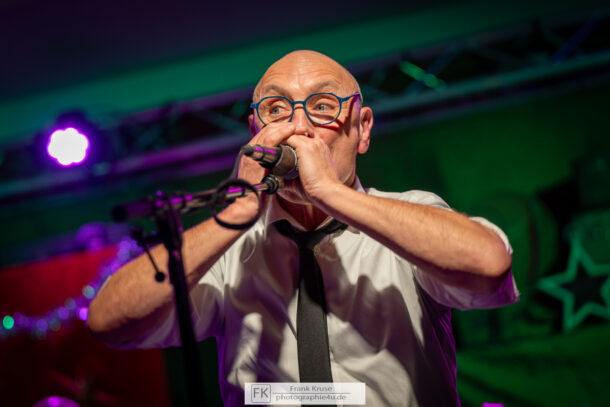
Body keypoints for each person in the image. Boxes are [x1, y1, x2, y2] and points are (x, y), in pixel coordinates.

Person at [88, 50, 518, 406]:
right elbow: (109, 321)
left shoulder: (409, 214)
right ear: (255, 133)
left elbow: (489, 265)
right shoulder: (230, 245)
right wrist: (237, 212)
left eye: (323, 106)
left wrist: (329, 192)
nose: (298, 126)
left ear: (362, 128)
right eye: (276, 110)